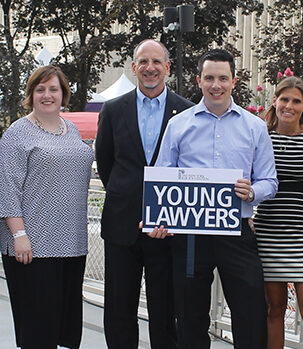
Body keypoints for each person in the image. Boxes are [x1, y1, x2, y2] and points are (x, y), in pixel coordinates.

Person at [155, 48, 278, 349]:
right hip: (191, 234)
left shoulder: (255, 127)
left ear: (234, 81)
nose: (216, 85)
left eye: (223, 78)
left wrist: (252, 192)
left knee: (250, 313)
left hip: (237, 229)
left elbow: (270, 181)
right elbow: (161, 177)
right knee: (190, 316)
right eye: (209, 78)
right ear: (198, 80)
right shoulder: (179, 124)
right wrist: (160, 218)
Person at [95, 39, 193, 349]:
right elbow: (106, 161)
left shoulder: (187, 111)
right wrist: (130, 198)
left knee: (165, 311)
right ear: (134, 67)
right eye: (143, 62)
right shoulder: (112, 109)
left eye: (156, 62)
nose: (150, 68)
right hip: (122, 225)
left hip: (167, 227)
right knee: (119, 308)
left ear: (167, 67)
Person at [0, 65, 93, 348]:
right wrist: (19, 236)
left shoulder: (72, 130)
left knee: (65, 331)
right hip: (32, 246)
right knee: (38, 331)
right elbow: (7, 187)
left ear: (63, 94)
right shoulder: (18, 133)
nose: (47, 95)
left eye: (53, 89)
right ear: (31, 95)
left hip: (72, 244)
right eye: (40, 89)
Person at [253, 76, 303, 349]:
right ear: (275, 101)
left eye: (296, 101)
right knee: (274, 309)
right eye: (284, 99)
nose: (288, 105)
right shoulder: (261, 135)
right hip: (267, 233)